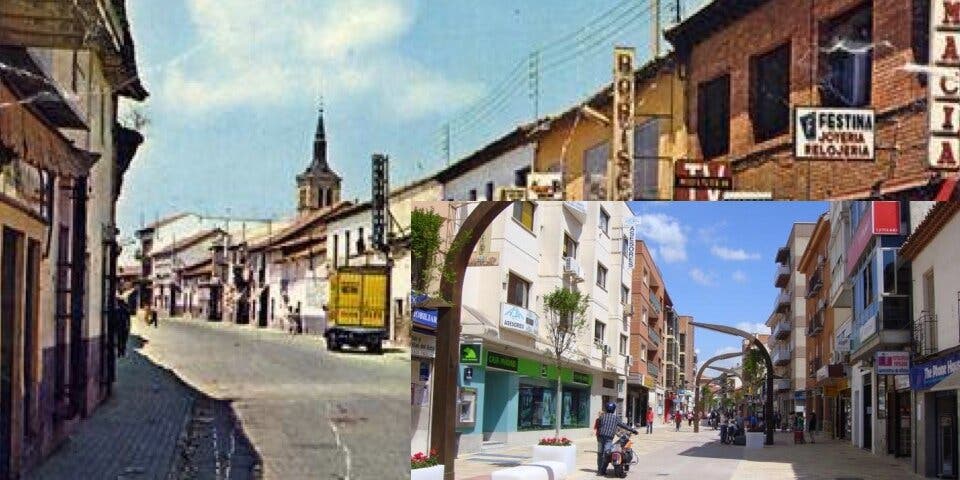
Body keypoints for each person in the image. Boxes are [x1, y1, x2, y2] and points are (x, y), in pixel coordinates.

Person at [596, 402, 637, 476]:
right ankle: (602, 471)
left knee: (600, 454)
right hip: (609, 438)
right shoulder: (616, 418)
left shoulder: (602, 417)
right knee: (606, 454)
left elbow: (598, 426)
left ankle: (600, 470)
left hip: (600, 437)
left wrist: (598, 435)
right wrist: (633, 430)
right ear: (614, 410)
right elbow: (624, 425)